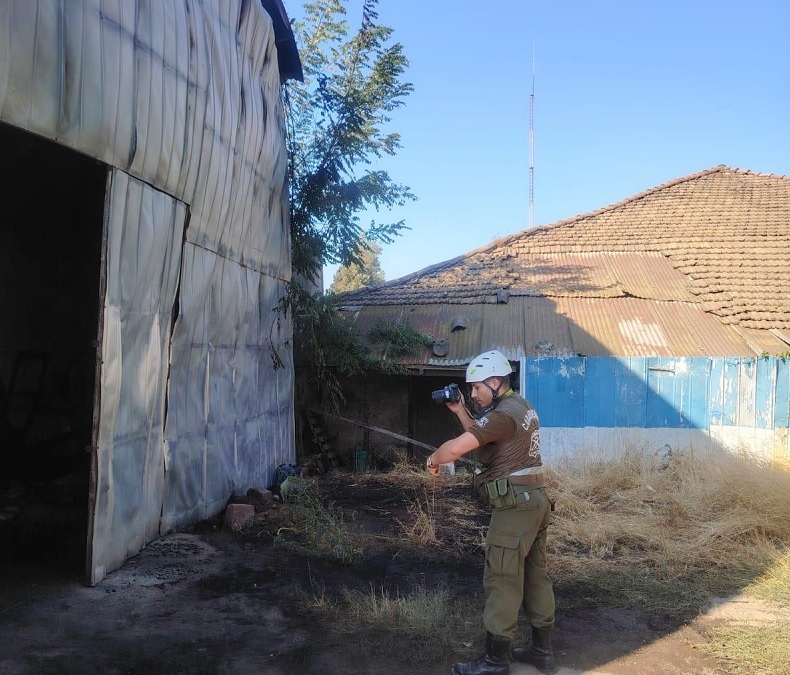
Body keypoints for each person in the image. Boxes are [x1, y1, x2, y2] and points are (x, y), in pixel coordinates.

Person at [426, 350, 557, 675]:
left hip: (515, 506)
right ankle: (542, 653)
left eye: (476, 388)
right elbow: (484, 438)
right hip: (535, 500)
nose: (472, 394)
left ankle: (495, 663)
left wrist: (433, 459)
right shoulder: (519, 406)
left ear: (495, 382)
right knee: (534, 575)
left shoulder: (501, 414)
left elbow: (458, 448)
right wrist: (460, 411)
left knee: (502, 579)